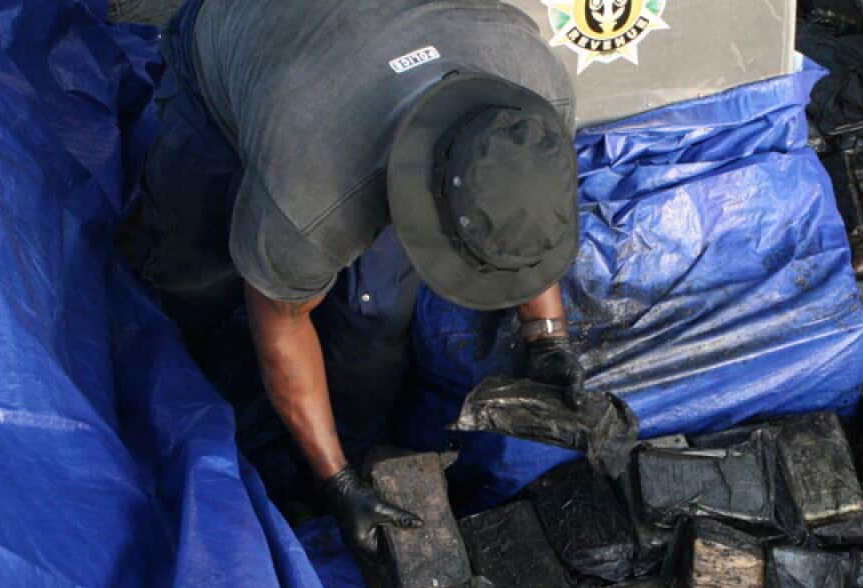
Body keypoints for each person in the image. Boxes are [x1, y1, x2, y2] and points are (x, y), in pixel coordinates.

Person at [131, 0, 585, 553]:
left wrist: (549, 340)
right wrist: (336, 480)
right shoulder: (314, 192)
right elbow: (280, 321)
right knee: (195, 270)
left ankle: (354, 432)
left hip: (361, 61)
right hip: (241, 31)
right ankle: (245, 423)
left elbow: (527, 218)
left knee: (375, 314)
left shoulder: (537, 96)